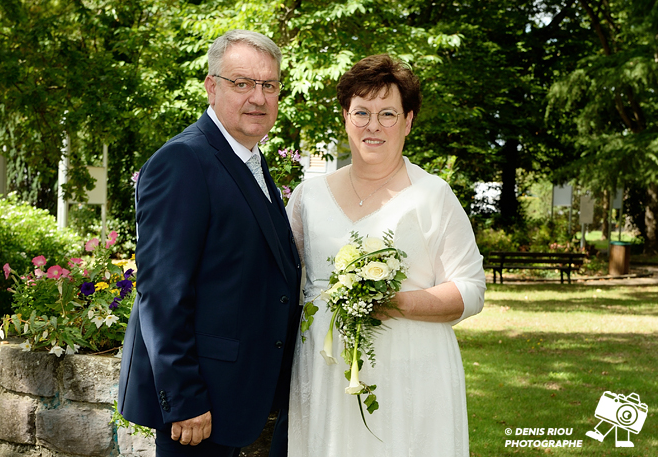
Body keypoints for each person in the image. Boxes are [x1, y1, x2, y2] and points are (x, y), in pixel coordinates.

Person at [285, 54, 486, 456]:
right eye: (361, 112)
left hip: (412, 370)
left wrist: (396, 302)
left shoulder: (433, 196)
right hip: (325, 373)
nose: (372, 126)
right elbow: (282, 281)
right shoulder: (309, 196)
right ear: (345, 117)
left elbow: (471, 291)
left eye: (387, 114)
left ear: (408, 121)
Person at [117, 30, 302, 457]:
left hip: (233, 394)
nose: (258, 97)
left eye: (268, 85)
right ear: (211, 86)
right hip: (198, 405)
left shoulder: (249, 157)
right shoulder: (184, 161)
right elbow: (162, 294)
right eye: (242, 83)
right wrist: (184, 399)